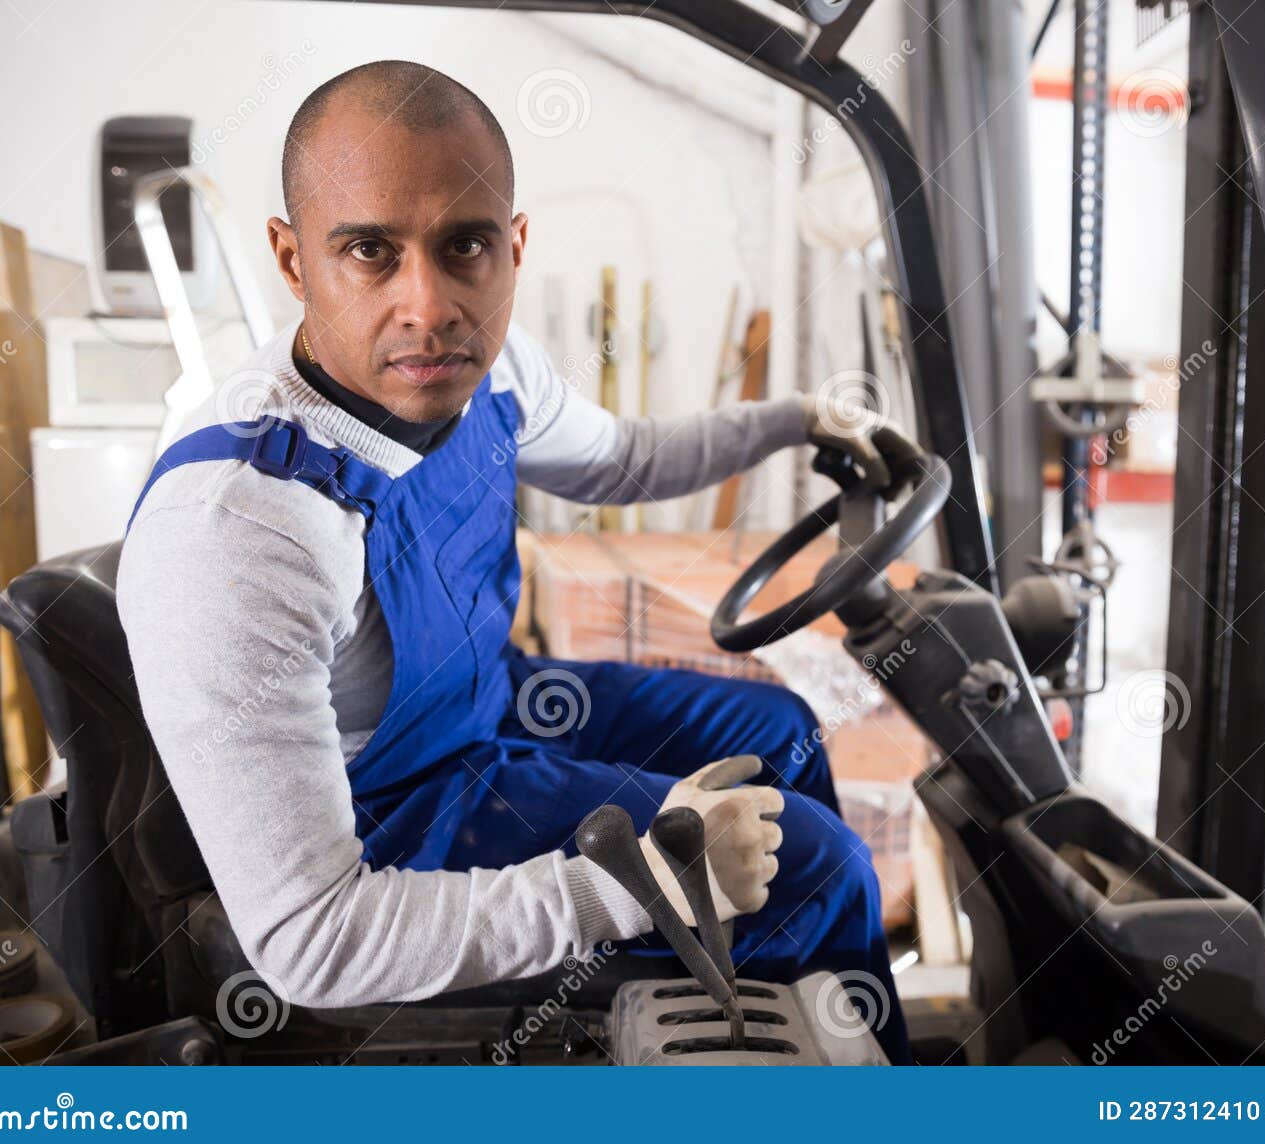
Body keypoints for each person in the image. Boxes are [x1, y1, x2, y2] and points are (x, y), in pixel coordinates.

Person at [118, 59, 921, 1063]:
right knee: (822, 869)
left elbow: (623, 459)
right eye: (370, 251)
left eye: (465, 247)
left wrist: (795, 419)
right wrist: (639, 886)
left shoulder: (492, 373)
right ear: (293, 262)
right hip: (390, 807)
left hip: (487, 704)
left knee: (781, 733)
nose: (430, 304)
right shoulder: (241, 527)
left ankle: (766, 1033)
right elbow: (310, 940)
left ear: (514, 245)